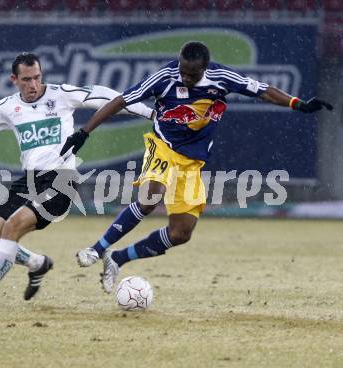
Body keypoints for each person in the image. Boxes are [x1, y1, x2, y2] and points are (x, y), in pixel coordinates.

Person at [60, 41, 334, 293]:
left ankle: (118, 259)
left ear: (205, 68)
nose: (185, 78)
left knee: (181, 233)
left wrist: (297, 104)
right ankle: (96, 249)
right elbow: (121, 100)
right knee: (150, 196)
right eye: (183, 70)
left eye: (192, 74)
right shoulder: (165, 77)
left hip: (191, 162)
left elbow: (263, 91)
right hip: (163, 145)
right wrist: (84, 132)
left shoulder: (222, 78)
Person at [0, 52, 154, 309]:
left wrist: (150, 114)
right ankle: (37, 263)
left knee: (12, 226)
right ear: (14, 79)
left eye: (37, 77)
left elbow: (108, 97)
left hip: (61, 181)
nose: (33, 85)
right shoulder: (7, 108)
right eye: (26, 79)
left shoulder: (61, 94)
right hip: (28, 182)